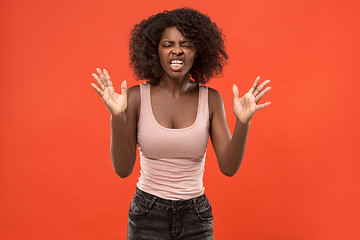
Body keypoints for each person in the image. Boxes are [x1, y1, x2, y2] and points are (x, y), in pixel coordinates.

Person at [90, 7, 271, 240]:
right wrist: (116, 116)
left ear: (198, 51)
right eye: (168, 44)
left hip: (196, 215)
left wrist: (243, 122)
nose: (177, 51)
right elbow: (123, 170)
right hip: (147, 214)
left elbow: (228, 167)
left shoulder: (211, 99)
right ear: (155, 51)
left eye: (186, 44)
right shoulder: (136, 97)